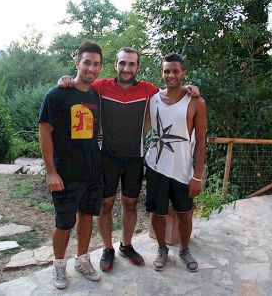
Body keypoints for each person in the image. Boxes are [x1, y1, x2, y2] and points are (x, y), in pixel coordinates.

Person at [58, 47, 200, 272]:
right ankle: (107, 248)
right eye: (122, 63)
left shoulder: (148, 91)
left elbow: (172, 90)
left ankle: (126, 245)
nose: (126, 68)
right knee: (106, 204)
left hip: (135, 157)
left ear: (138, 67)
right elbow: (80, 84)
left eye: (131, 64)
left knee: (130, 204)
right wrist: (66, 79)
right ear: (115, 64)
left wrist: (191, 88)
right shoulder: (101, 86)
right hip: (106, 157)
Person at [39, 40, 103, 289]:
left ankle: (82, 260)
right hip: (65, 172)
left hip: (92, 170)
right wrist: (51, 171)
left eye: (96, 64)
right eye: (87, 62)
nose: (91, 68)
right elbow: (45, 133)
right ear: (77, 63)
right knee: (64, 223)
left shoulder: (95, 95)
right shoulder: (57, 94)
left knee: (87, 217)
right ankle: (58, 265)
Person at [145, 53, 207, 272]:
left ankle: (185, 249)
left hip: (182, 170)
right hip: (155, 166)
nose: (170, 75)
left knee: (185, 214)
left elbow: (201, 142)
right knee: (158, 213)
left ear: (183, 73)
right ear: (162, 73)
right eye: (166, 71)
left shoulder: (196, 102)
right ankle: (162, 248)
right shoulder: (152, 99)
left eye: (175, 71)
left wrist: (197, 175)